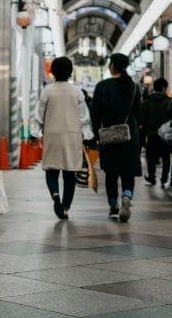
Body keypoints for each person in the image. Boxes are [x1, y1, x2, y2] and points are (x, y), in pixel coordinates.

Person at [32, 57, 93, 220]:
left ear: (52, 71)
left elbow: (39, 115)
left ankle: (55, 196)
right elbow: (84, 118)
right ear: (70, 72)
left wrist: (34, 133)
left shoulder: (48, 91)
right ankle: (65, 208)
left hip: (52, 135)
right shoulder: (77, 91)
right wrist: (87, 137)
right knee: (69, 173)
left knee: (51, 170)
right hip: (72, 136)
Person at [91, 53, 141, 222]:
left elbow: (95, 114)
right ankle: (127, 196)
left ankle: (113, 207)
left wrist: (94, 134)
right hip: (130, 136)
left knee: (111, 174)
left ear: (112, 65)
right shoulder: (134, 87)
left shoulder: (102, 86)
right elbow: (138, 114)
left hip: (109, 137)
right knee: (128, 172)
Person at [139, 78, 172, 187]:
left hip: (151, 135)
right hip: (165, 136)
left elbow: (141, 121)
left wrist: (142, 139)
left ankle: (152, 178)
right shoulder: (169, 102)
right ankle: (164, 179)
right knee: (166, 156)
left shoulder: (146, 102)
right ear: (163, 88)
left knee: (150, 157)